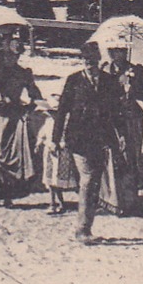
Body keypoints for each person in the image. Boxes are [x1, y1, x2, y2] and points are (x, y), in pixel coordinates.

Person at [51, 42, 125, 244]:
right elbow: (62, 111)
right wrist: (55, 139)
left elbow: (117, 112)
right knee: (89, 180)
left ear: (99, 61)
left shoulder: (110, 82)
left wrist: (121, 135)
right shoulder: (73, 81)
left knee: (93, 183)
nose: (89, 65)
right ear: (81, 61)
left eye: (92, 61)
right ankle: (82, 230)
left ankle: (86, 227)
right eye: (85, 61)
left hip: (101, 139)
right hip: (78, 139)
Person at [0, 33, 43, 208]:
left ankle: (7, 195)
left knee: (10, 159)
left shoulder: (23, 74)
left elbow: (35, 96)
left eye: (16, 55)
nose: (12, 58)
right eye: (9, 55)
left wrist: (26, 109)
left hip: (13, 119)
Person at [100, 45, 143, 216]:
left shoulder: (135, 71)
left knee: (131, 157)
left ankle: (131, 199)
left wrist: (134, 90)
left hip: (131, 119)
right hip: (110, 118)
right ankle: (112, 199)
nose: (117, 53)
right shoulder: (104, 70)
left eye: (121, 50)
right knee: (110, 156)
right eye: (114, 50)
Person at [36, 92, 77, 214]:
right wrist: (39, 143)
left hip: (62, 153)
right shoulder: (48, 122)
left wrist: (62, 145)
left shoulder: (65, 123)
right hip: (50, 152)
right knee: (50, 180)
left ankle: (63, 202)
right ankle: (53, 202)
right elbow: (42, 134)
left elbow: (68, 136)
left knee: (60, 179)